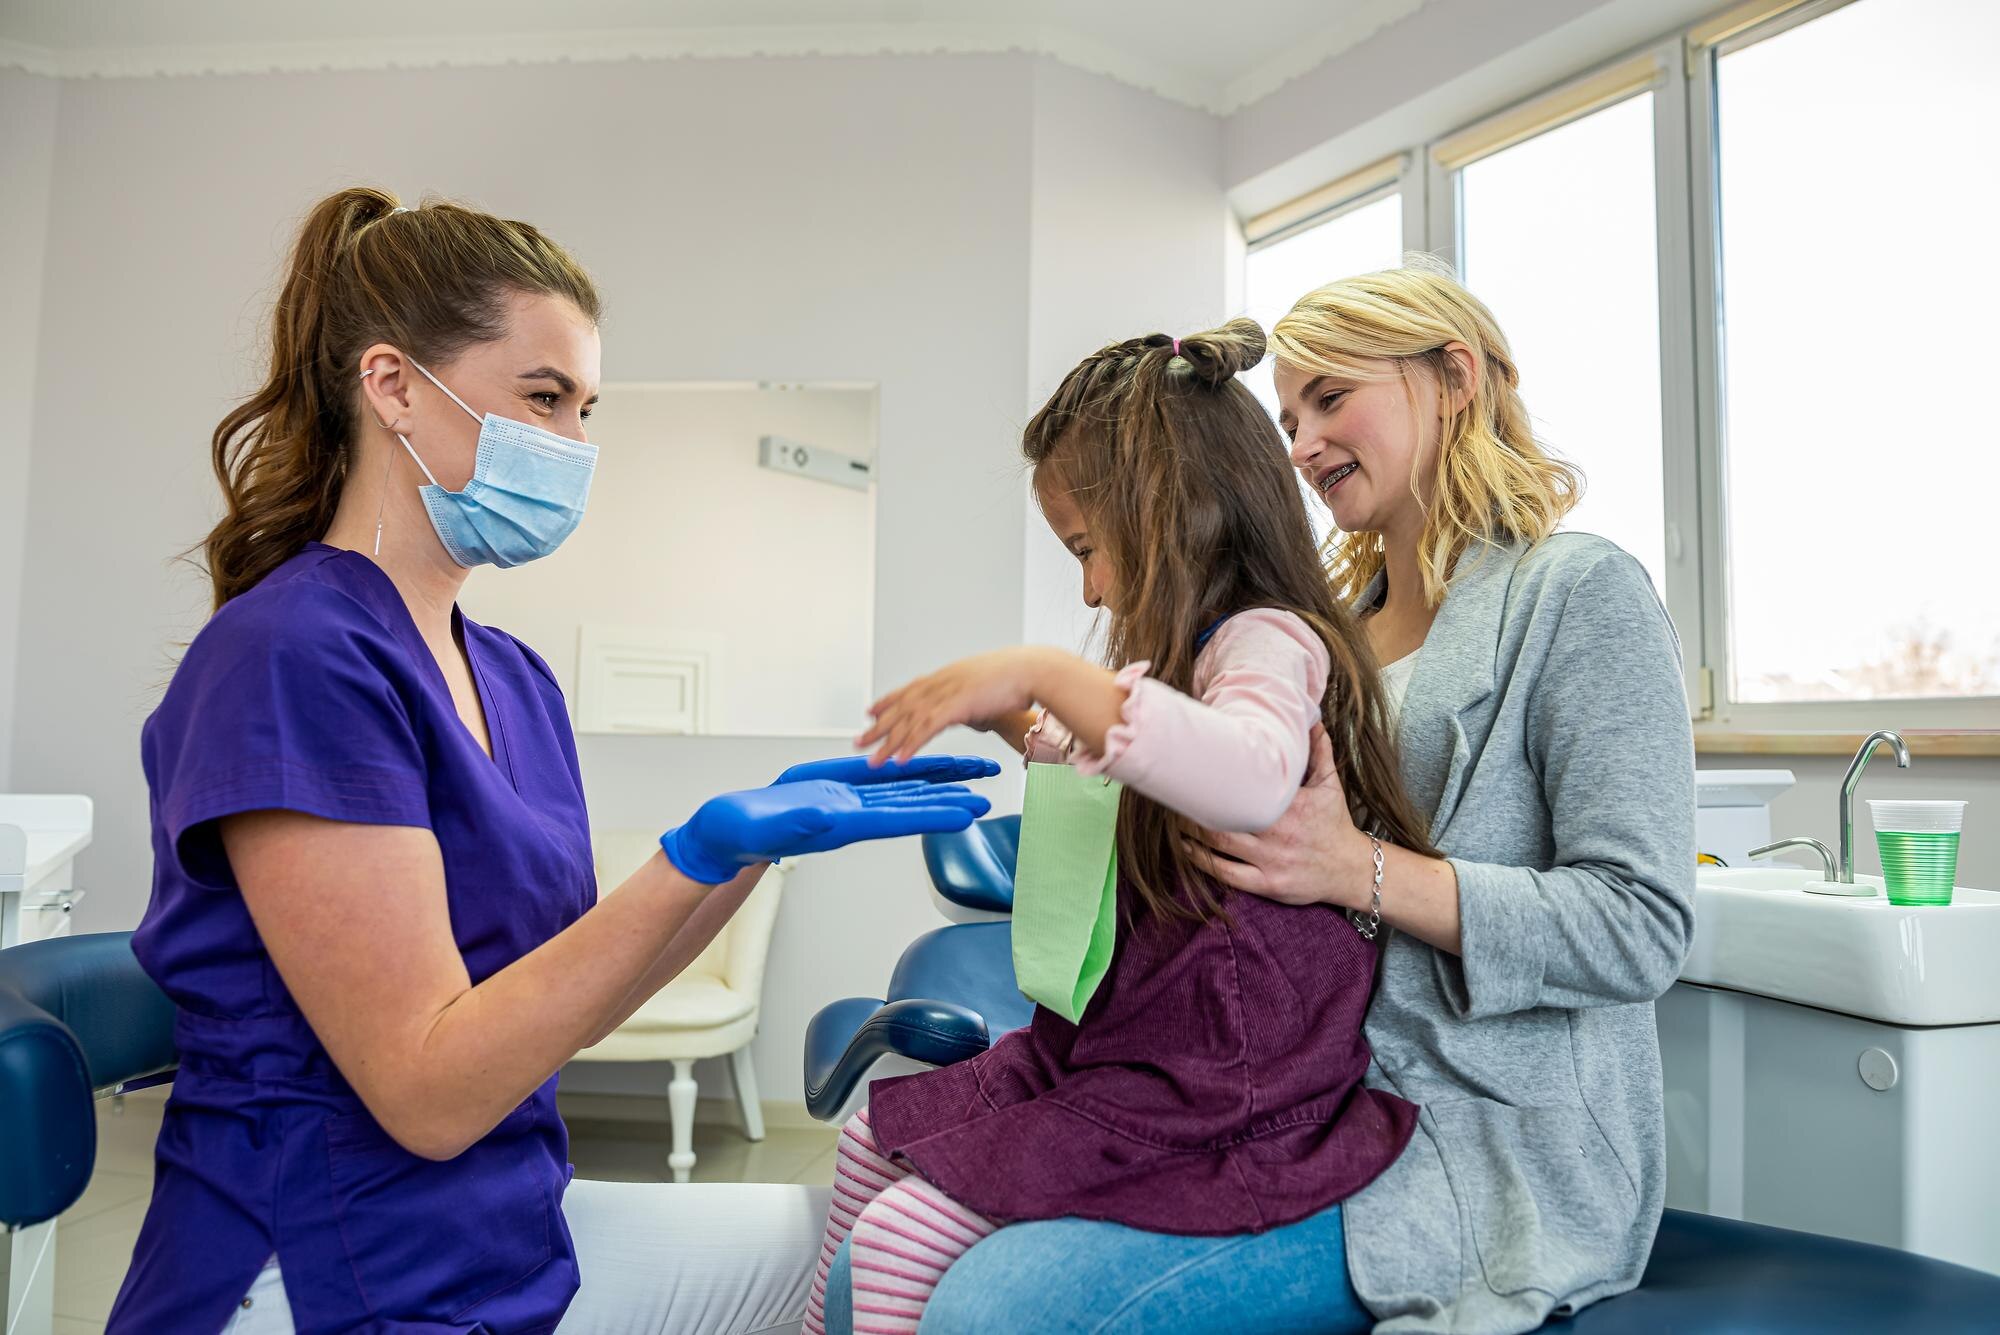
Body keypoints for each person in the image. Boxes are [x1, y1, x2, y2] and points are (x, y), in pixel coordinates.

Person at [106, 186, 996, 1335]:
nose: (574, 445)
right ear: (393, 388)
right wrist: (693, 853)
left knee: (897, 1260)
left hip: (504, 1224)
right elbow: (427, 1093)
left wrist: (748, 852)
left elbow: (564, 993)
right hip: (333, 1261)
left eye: (584, 410)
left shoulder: (512, 676)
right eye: (543, 398)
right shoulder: (292, 658)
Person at [869, 263, 1697, 1334]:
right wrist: (1045, 740)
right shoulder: (1322, 623)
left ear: (1451, 377)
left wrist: (1358, 871)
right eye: (1288, 414)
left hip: (1467, 1132)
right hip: (1277, 1101)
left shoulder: (1575, 594)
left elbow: (1639, 927)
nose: (1301, 442)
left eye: (1331, 397)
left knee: (990, 1310)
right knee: (888, 1250)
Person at [811, 319, 1442, 1335]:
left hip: (1221, 1099)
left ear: (1176, 511)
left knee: (894, 1239)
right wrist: (1010, 718)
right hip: (1124, 1049)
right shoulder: (1187, 660)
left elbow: (1244, 776)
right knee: (859, 1147)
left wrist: (1044, 672)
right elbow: (1125, 762)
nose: (1091, 589)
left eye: (1087, 550)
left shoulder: (1269, 641)